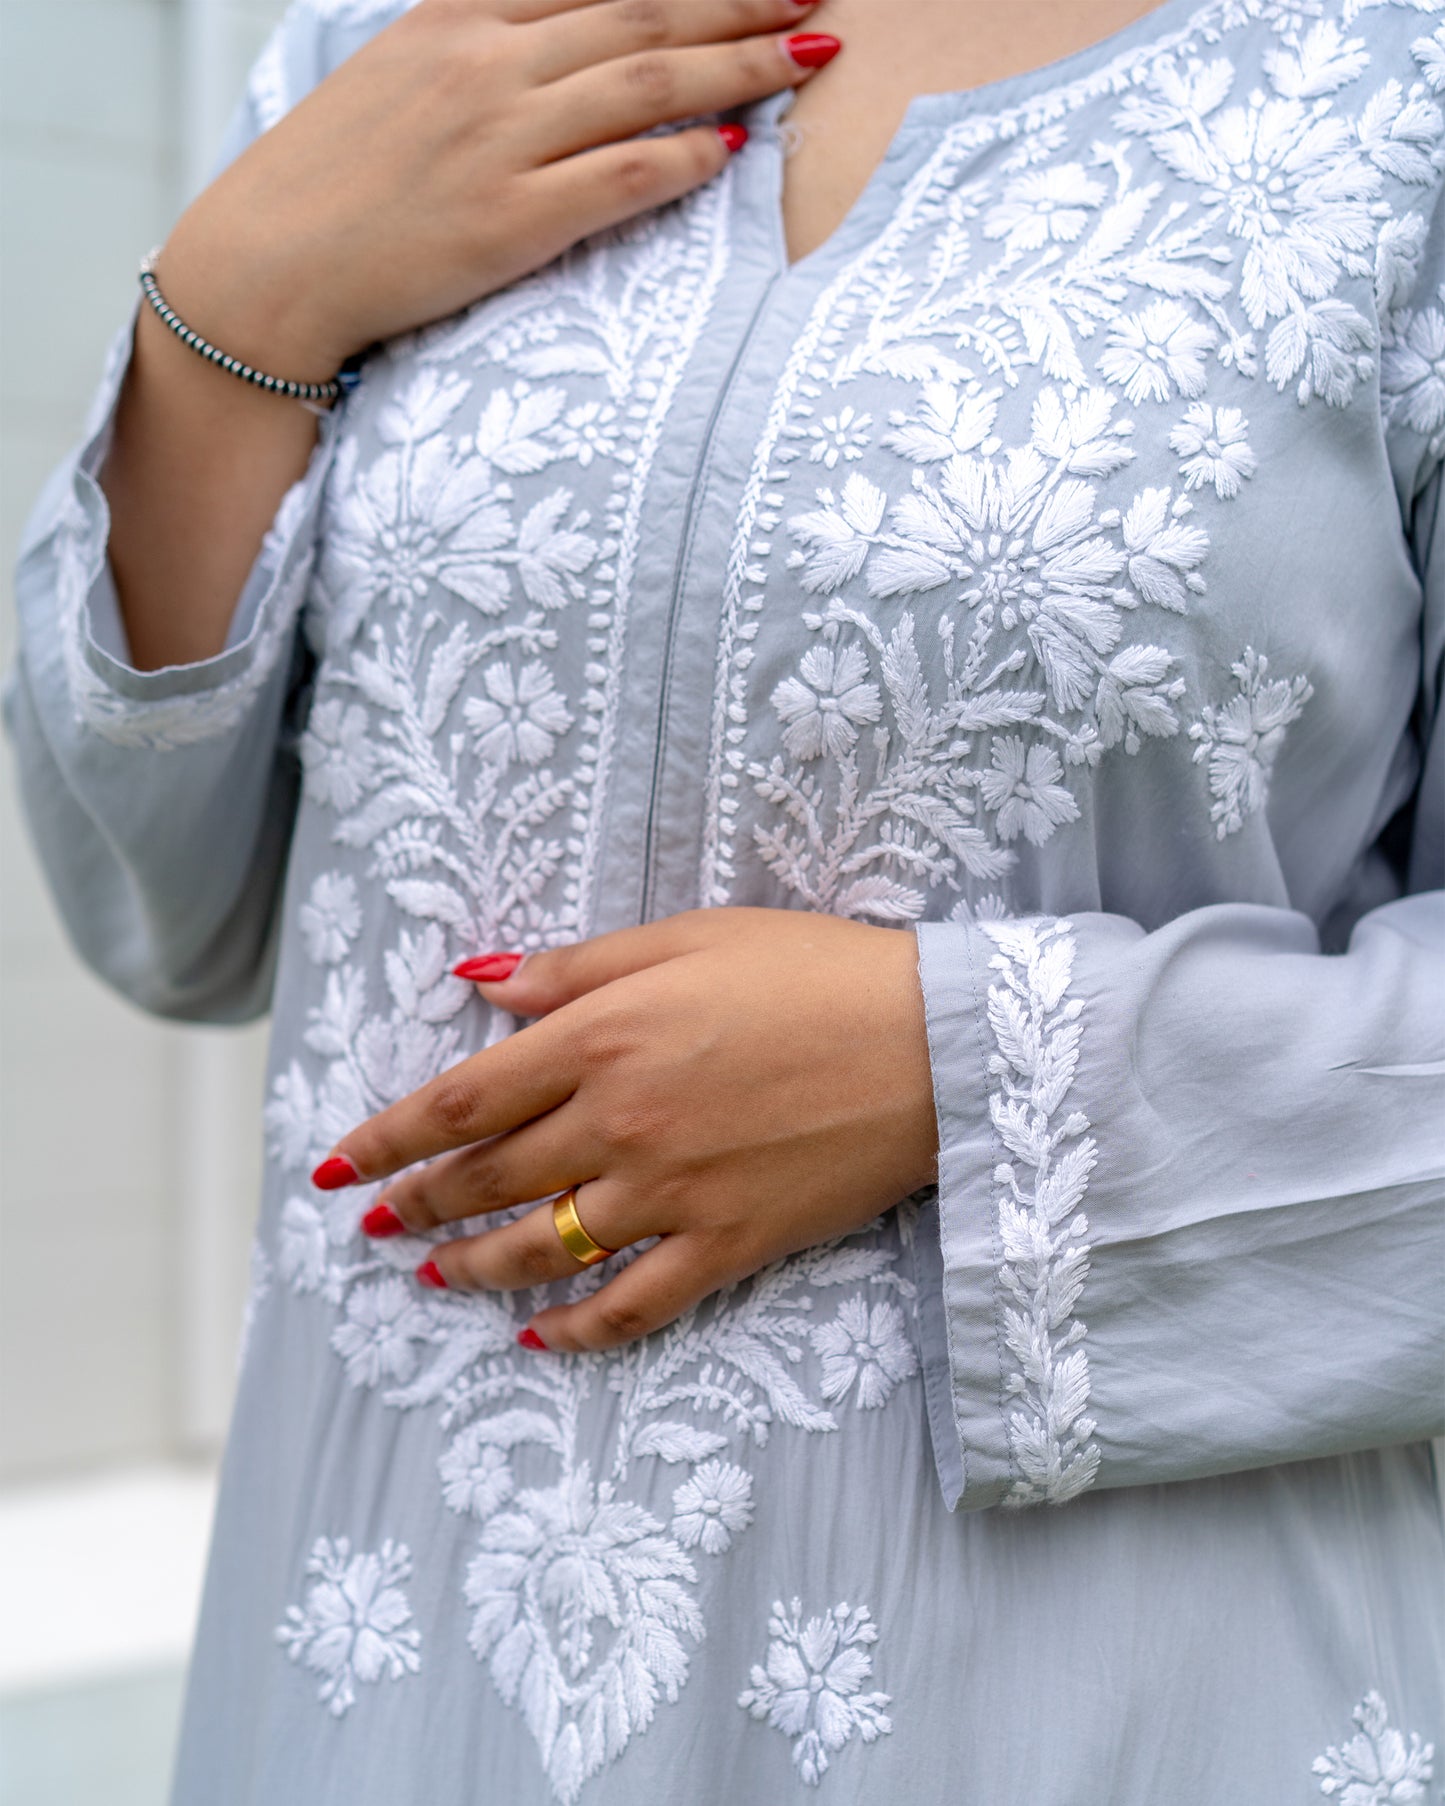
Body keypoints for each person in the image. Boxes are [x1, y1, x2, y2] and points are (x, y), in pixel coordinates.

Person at [7, 0, 1443, 1799]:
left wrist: (961, 1071)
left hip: (1100, 1705)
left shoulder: (1395, 96)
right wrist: (230, 314)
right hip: (383, 1684)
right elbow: (171, 904)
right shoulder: (393, 52)